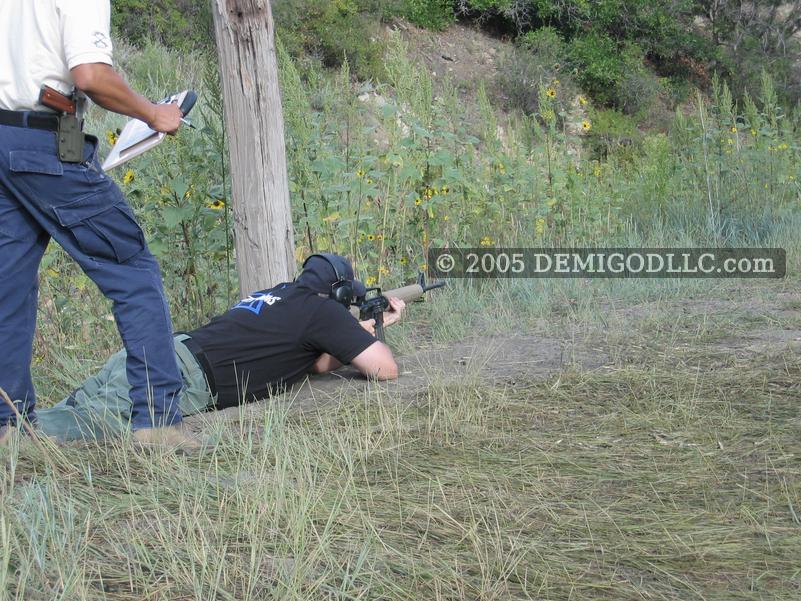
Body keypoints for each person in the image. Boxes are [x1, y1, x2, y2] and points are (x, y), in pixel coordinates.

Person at [0, 1, 193, 447]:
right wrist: (153, 113)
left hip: (6, 138)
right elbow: (90, 76)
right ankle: (159, 421)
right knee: (132, 270)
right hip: (46, 143)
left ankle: (8, 427)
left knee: (8, 286)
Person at [35, 254, 406, 444]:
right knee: (72, 430)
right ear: (339, 295)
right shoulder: (321, 310)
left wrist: (358, 330)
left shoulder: (281, 294)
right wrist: (376, 326)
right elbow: (383, 369)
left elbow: (319, 363)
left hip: (160, 352)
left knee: (57, 415)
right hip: (179, 376)